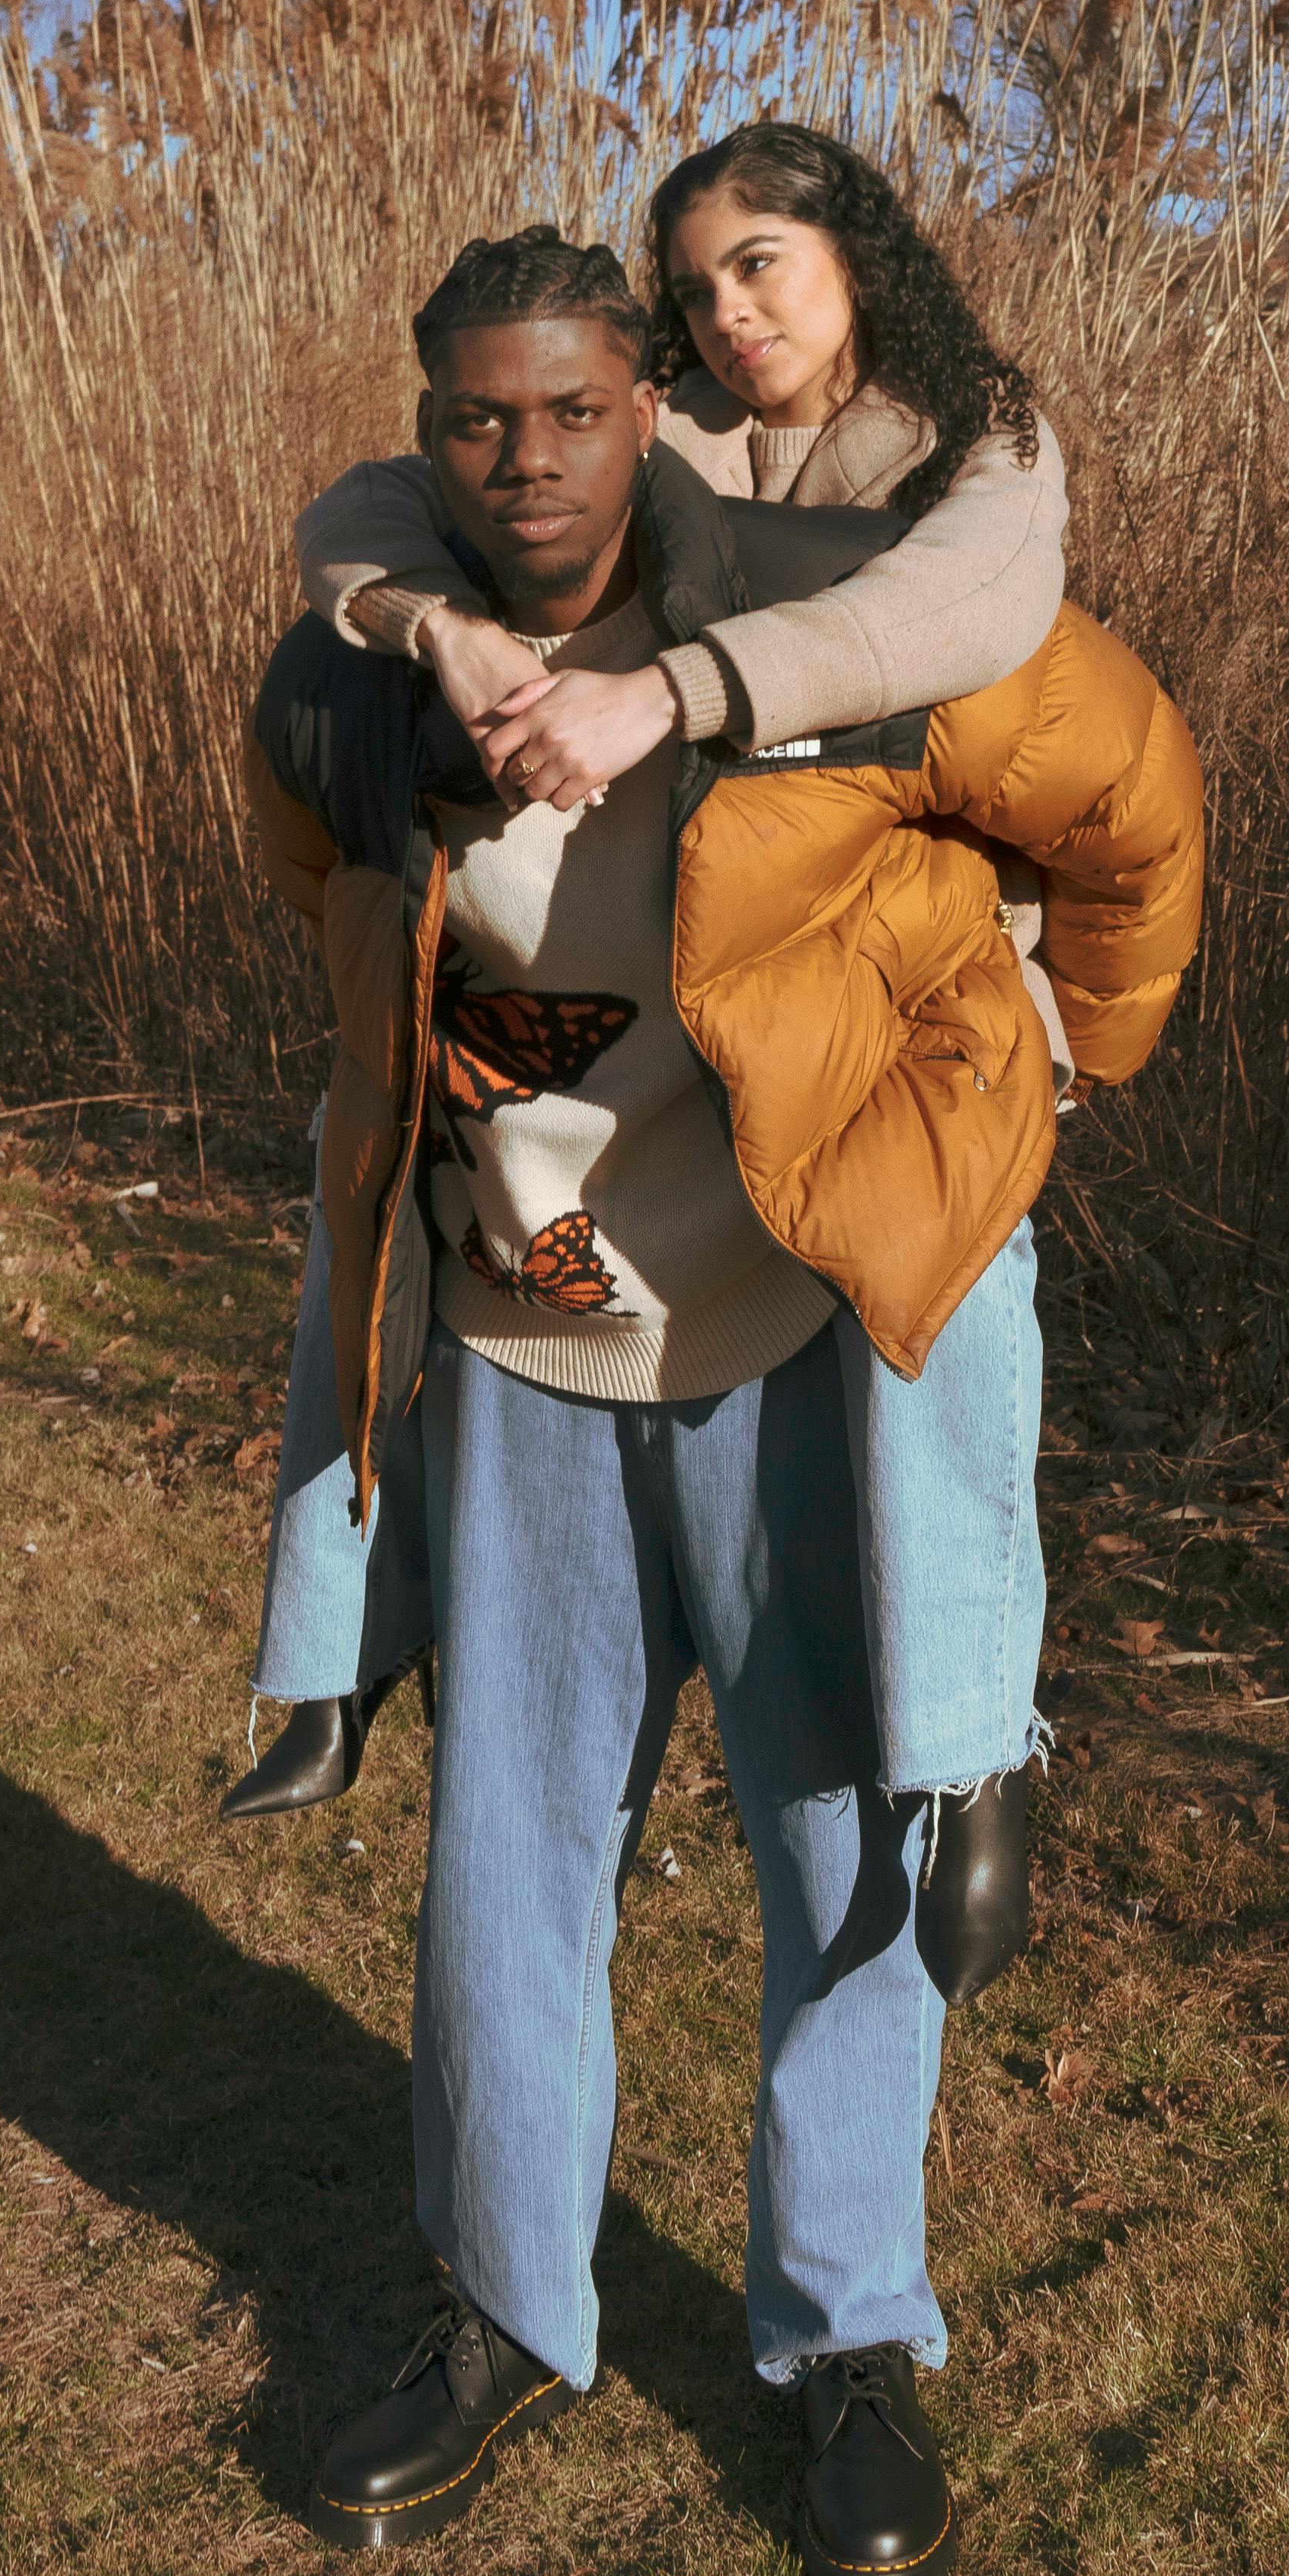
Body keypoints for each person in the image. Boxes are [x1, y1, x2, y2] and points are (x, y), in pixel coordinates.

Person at [242, 225, 1201, 2576]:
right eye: (477, 418)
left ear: (641, 403)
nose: (526, 458)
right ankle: (498, 2314)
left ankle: (845, 2336)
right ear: (425, 426)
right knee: (504, 1874)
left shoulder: (828, 619)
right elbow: (317, 871)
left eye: (573, 410)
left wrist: (1054, 1057)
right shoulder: (365, 662)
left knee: (837, 1853)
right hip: (529, 1360)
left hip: (787, 1365)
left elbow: (1133, 800)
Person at [225, 129, 1076, 1993]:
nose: (730, 314)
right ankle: (329, 1648)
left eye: (762, 263)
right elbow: (369, 508)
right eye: (694, 288)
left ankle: (979, 1740)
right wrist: (439, 629)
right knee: (367, 1177)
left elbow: (962, 620)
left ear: (855, 252)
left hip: (919, 1019)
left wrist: (662, 690)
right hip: (720, 1024)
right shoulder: (661, 429)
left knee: (957, 1339)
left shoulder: (979, 444)